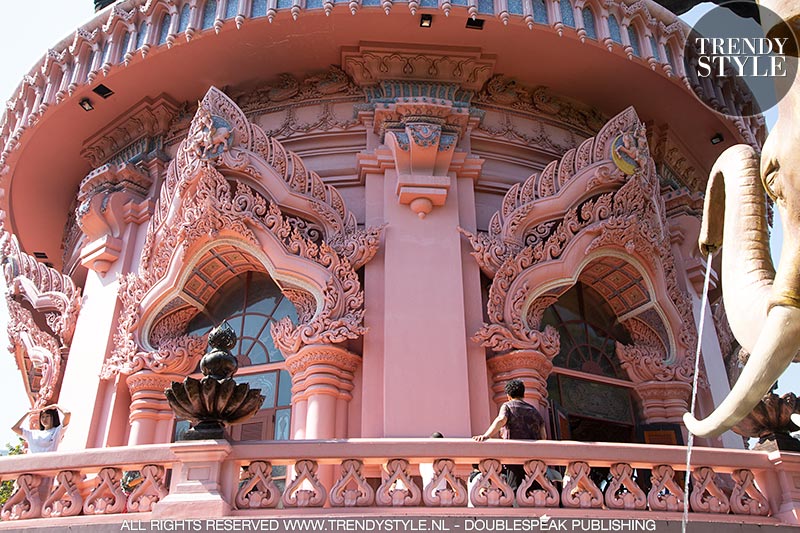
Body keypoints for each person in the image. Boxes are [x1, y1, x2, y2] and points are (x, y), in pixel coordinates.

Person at [472, 379, 546, 490]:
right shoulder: (534, 411)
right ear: (523, 394)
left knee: (514, 491)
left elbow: (501, 419)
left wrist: (486, 435)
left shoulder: (508, 406)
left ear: (508, 395)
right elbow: (543, 435)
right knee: (534, 492)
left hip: (514, 457)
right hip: (533, 459)